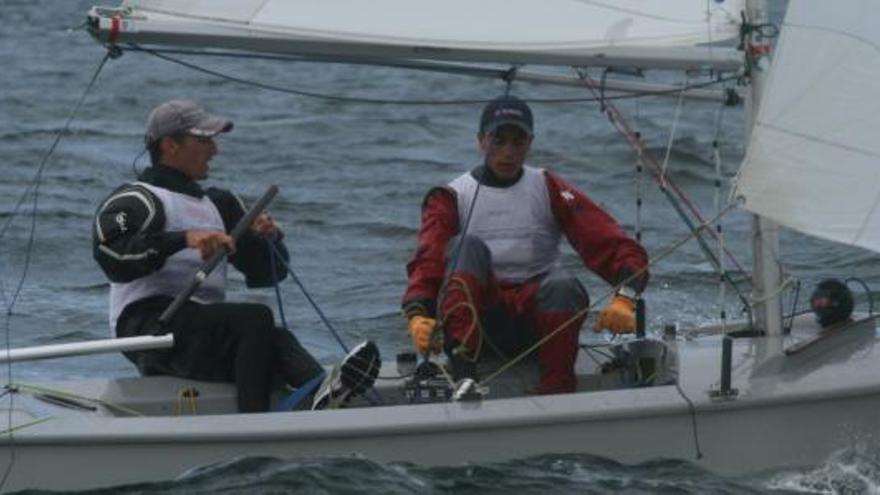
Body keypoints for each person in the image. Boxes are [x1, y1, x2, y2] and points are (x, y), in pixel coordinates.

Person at [93, 99, 379, 412]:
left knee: (275, 338)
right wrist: (184, 239)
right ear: (170, 146)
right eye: (203, 141)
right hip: (148, 328)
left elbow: (270, 275)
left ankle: (325, 397)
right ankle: (253, 422)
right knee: (253, 320)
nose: (214, 150)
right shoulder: (137, 199)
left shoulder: (220, 204)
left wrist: (265, 238)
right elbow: (113, 258)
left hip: (204, 328)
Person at [401, 95, 649, 395]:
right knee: (466, 247)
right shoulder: (451, 196)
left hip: (539, 326)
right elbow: (427, 259)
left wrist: (626, 296)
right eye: (498, 141)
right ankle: (464, 380)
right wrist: (417, 315)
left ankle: (557, 390)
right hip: (481, 327)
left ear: (530, 143)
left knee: (564, 285)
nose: (508, 153)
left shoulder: (548, 187)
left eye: (518, 142)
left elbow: (608, 240)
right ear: (481, 141)